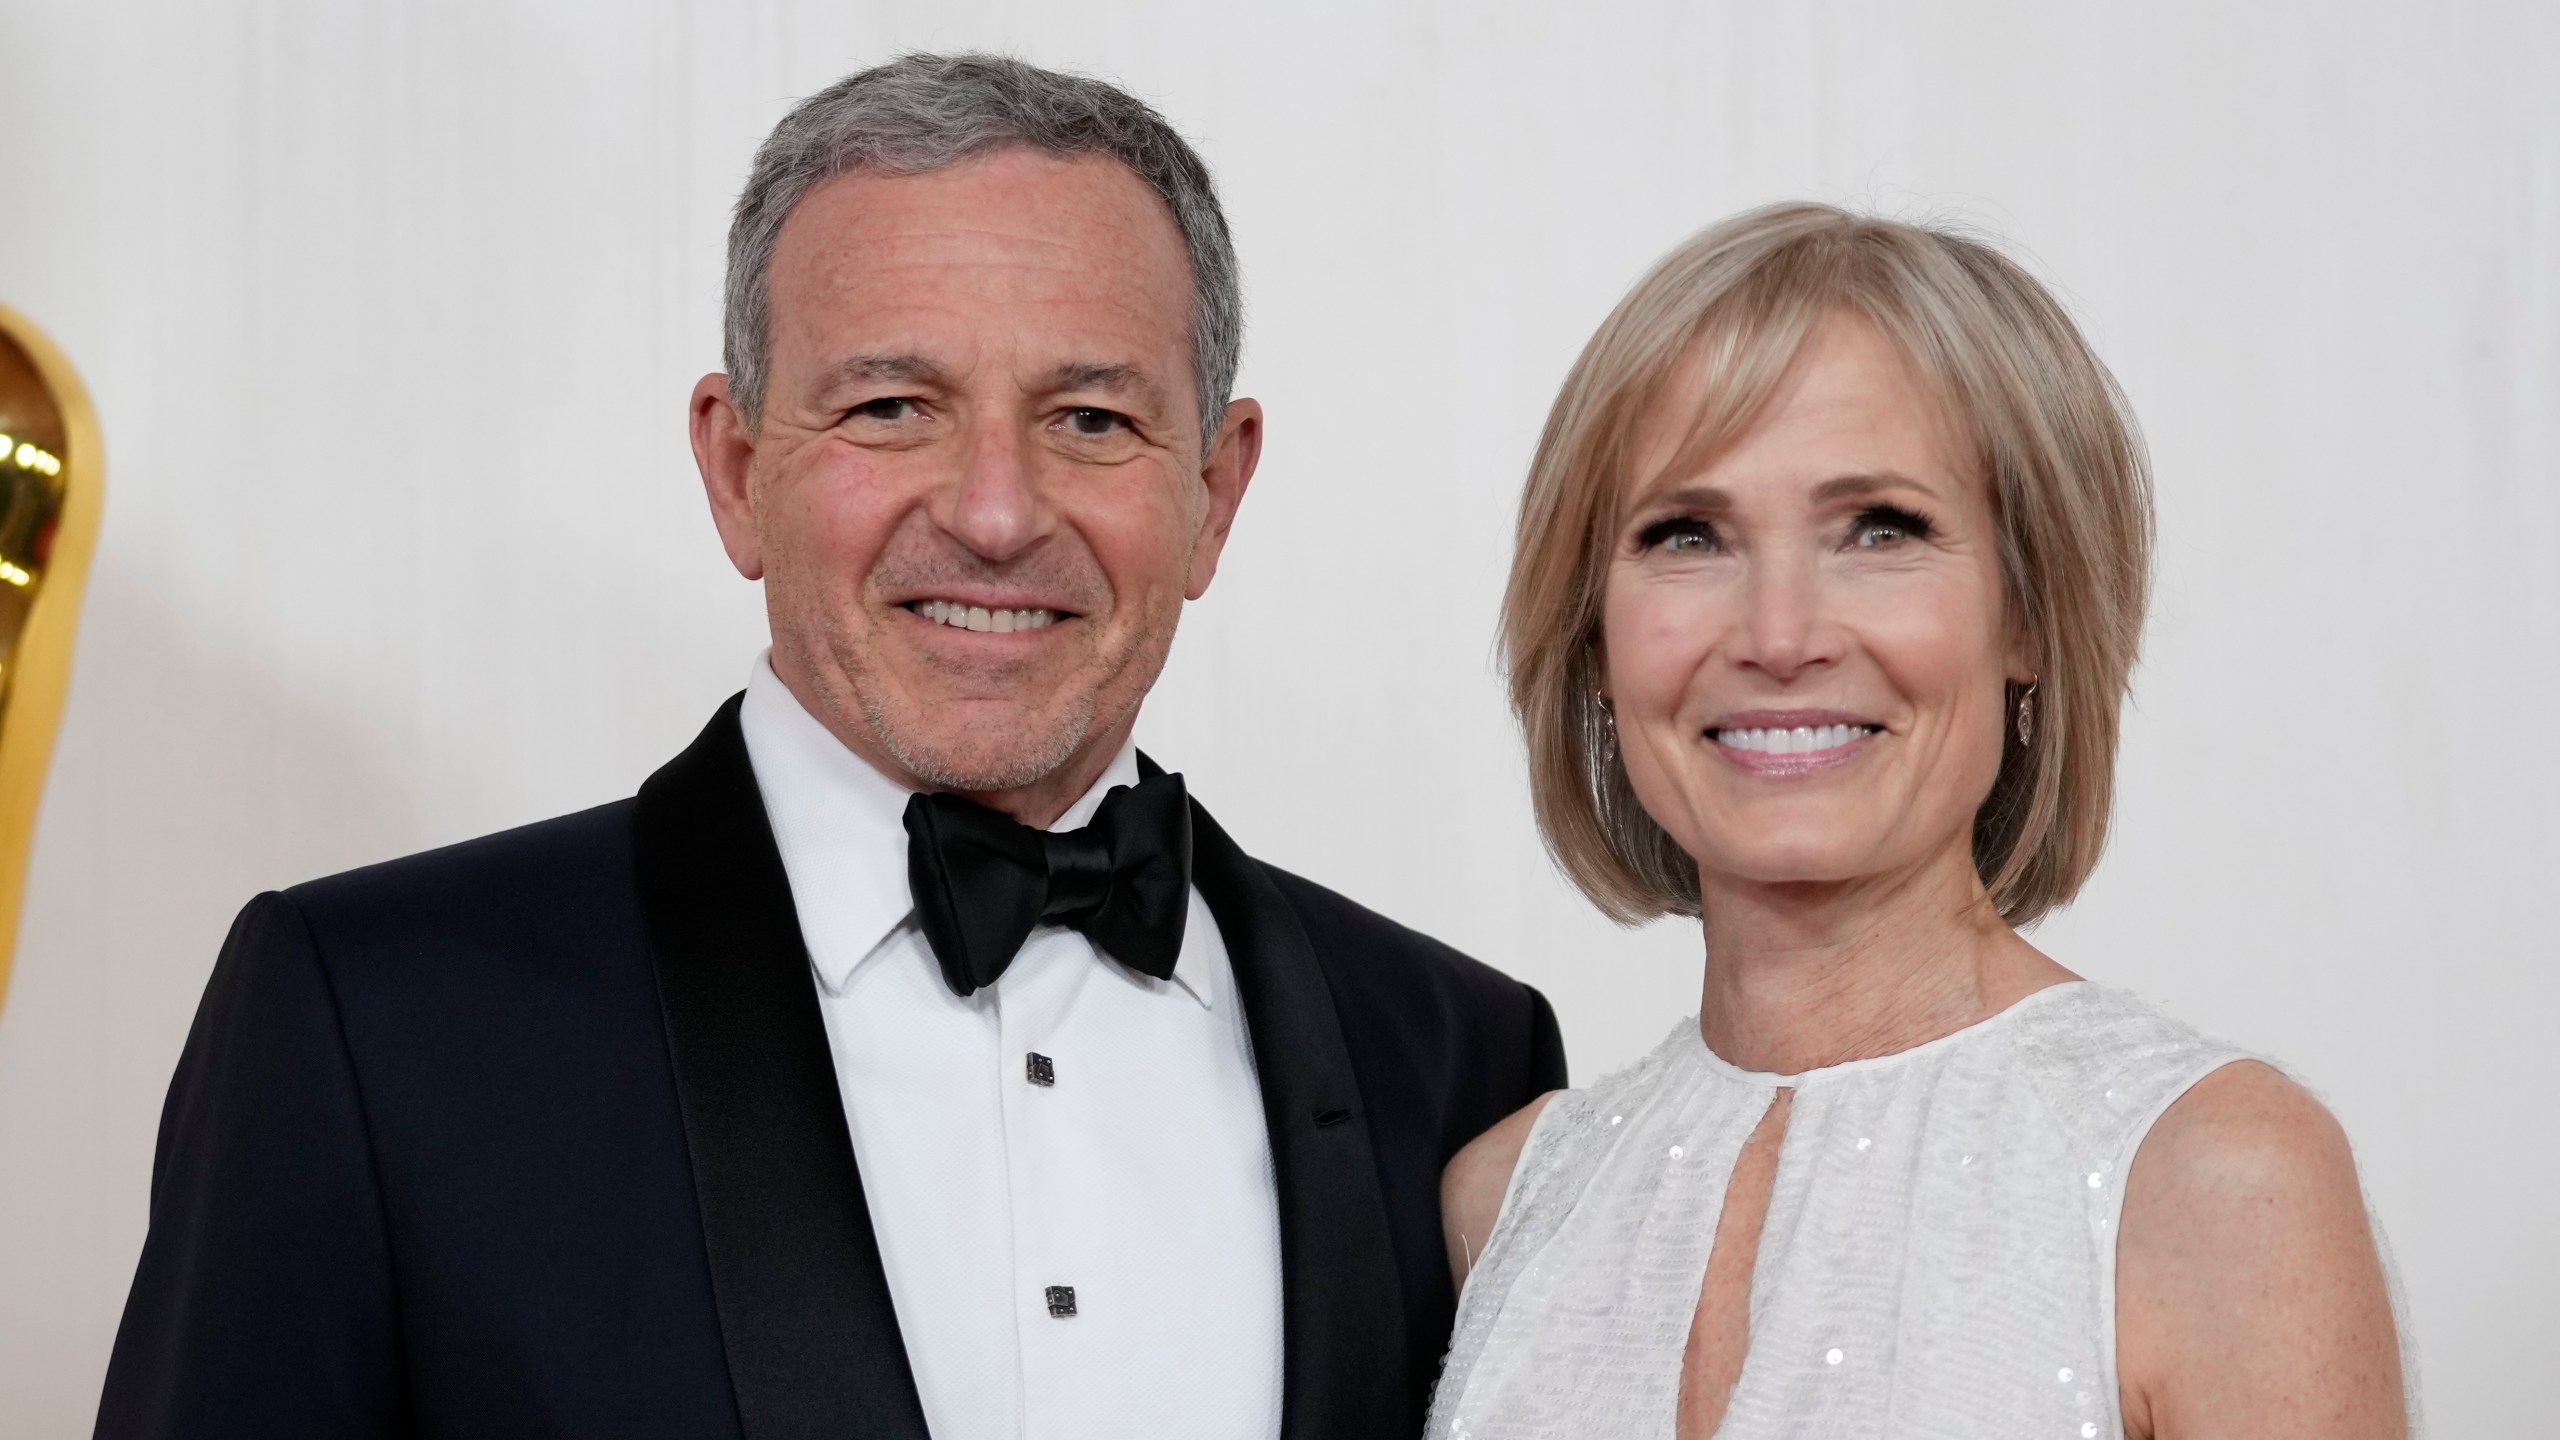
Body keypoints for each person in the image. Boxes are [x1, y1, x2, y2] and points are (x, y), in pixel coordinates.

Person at [96, 53, 1562, 1440]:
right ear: (738, 472)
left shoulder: (1460, 1070)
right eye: (892, 407)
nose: (995, 513)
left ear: (1216, 492)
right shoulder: (372, 1023)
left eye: (1092, 417)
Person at [1428, 204, 2413, 1440]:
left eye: (1880, 529)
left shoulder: (2215, 1181)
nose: (1780, 635)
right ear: (1594, 638)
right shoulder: (1505, 1197)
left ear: (2029, 615)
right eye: (1687, 535)